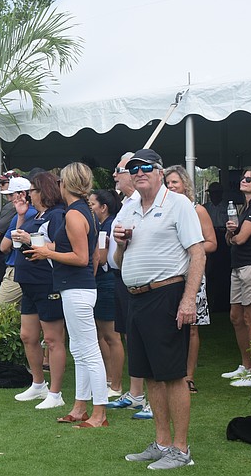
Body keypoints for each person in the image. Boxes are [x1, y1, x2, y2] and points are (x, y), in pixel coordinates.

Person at [113, 149, 204, 469]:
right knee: (149, 374)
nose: (138, 172)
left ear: (160, 171)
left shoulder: (178, 204)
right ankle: (162, 442)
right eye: (132, 168)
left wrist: (188, 299)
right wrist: (121, 243)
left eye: (144, 167)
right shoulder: (128, 209)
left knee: (173, 375)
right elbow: (117, 261)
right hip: (135, 298)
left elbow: (198, 253)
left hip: (167, 294)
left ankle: (181, 449)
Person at [27, 163, 107, 428]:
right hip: (79, 286)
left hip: (76, 288)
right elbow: (91, 256)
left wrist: (47, 254)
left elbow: (81, 257)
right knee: (79, 349)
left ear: (66, 184)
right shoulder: (86, 212)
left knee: (88, 351)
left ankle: (99, 413)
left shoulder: (74, 215)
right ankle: (79, 407)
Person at [10, 171, 67, 410]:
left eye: (31, 191)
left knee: (52, 339)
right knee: (28, 336)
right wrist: (21, 218)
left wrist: (29, 240)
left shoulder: (57, 215)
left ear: (42, 191)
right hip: (29, 283)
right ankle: (38, 383)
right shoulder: (37, 215)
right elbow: (21, 240)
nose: (27, 195)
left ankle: (55, 392)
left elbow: (60, 246)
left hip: (47, 282)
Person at [164, 165, 217, 394]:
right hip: (168, 276)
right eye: (167, 183)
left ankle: (188, 377)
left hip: (192, 274)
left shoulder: (197, 210)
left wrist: (188, 248)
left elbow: (212, 243)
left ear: (185, 183)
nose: (171, 186)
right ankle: (168, 375)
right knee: (168, 326)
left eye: (175, 182)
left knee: (192, 328)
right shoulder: (163, 210)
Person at [105, 152, 150, 419]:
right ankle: (135, 393)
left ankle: (153, 400)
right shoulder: (127, 202)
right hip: (122, 275)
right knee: (131, 334)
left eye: (119, 170)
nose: (115, 175)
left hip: (144, 279)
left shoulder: (144, 201)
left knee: (146, 338)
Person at [222, 166, 251, 388]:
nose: (244, 180)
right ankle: (246, 366)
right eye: (243, 177)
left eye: (250, 179)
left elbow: (241, 238)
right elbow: (232, 239)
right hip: (238, 267)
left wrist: (234, 235)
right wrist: (232, 234)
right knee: (236, 317)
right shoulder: (245, 208)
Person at [88, 189, 125, 397]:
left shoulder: (108, 226)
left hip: (107, 280)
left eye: (93, 204)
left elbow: (101, 259)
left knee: (112, 335)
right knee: (103, 334)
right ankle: (110, 379)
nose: (90, 208)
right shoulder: (101, 225)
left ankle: (117, 385)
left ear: (104, 207)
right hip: (102, 281)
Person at [0, 177, 35, 309]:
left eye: (11, 195)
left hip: (16, 269)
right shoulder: (39, 213)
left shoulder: (20, 215)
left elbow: (4, 247)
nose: (9, 199)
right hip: (33, 271)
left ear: (22, 194)